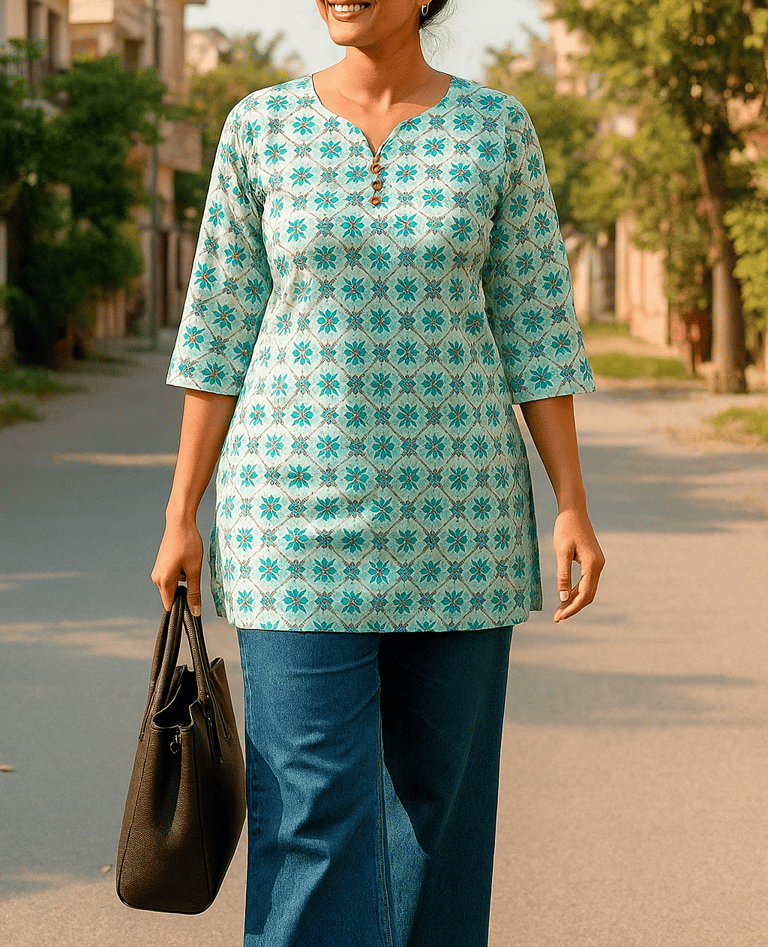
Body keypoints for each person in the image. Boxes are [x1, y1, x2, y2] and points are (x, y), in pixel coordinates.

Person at [152, 1, 605, 944]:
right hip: (292, 522)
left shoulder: (496, 130)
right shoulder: (260, 128)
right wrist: (180, 511)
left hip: (463, 521)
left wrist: (573, 503)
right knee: (311, 815)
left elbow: (536, 325)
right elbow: (216, 334)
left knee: (440, 819)